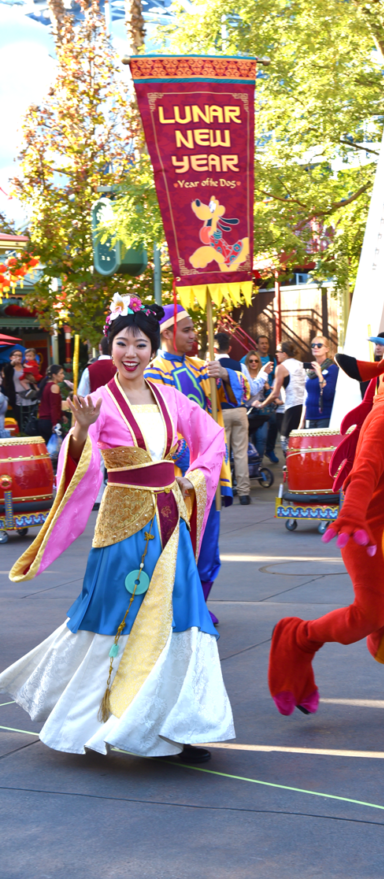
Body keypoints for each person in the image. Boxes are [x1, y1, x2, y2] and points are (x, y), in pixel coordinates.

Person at [0, 293, 234, 762]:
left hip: (170, 521)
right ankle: (100, 718)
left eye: (141, 344)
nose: (131, 353)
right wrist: (82, 429)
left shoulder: (171, 398)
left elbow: (212, 437)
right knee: (113, 616)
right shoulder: (97, 401)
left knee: (181, 618)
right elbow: (76, 464)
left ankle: (178, 726)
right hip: (122, 523)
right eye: (122, 343)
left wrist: (194, 481)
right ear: (109, 349)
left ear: (153, 349)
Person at [145, 303, 240, 618]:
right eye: (186, 330)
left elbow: (241, 395)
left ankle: (199, 605)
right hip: (176, 470)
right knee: (178, 541)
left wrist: (225, 374)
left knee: (209, 544)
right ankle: (177, 607)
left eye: (194, 328)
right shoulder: (154, 372)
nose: (194, 335)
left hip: (210, 468)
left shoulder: (205, 367)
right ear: (168, 334)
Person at [214, 332, 251, 504]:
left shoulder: (212, 366)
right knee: (241, 453)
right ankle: (244, 493)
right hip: (240, 411)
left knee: (223, 453)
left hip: (221, 412)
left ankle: (225, 490)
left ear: (214, 348)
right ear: (229, 348)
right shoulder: (240, 365)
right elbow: (248, 387)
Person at [254, 340, 306, 452]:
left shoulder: (281, 368)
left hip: (292, 407)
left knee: (285, 442)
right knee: (299, 442)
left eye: (278, 351)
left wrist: (262, 404)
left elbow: (275, 393)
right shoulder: (301, 364)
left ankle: (290, 468)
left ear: (285, 353)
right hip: (305, 407)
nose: (276, 354)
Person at [301, 336, 338, 429]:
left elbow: (329, 394)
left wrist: (320, 375)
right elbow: (306, 397)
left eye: (319, 345)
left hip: (324, 417)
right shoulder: (310, 371)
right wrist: (302, 421)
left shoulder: (332, 368)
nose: (315, 347)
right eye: (313, 345)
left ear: (327, 349)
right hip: (309, 417)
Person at [37, 364, 65, 443]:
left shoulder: (46, 385)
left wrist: (62, 415)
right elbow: (54, 406)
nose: (63, 376)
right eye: (61, 373)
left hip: (43, 421)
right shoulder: (54, 386)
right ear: (54, 375)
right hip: (49, 422)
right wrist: (55, 423)